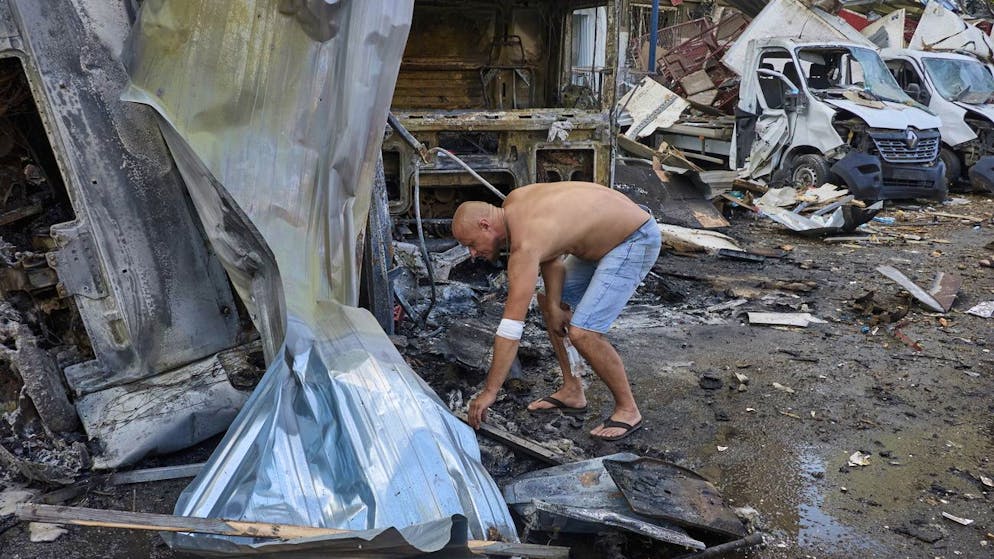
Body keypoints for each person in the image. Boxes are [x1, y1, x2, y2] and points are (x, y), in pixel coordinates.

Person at [452, 181, 661, 441]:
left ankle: (628, 410)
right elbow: (552, 255)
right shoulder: (514, 202)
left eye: (471, 244)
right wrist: (553, 303)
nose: (472, 254)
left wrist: (490, 391)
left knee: (583, 332)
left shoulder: (524, 246)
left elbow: (510, 328)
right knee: (550, 304)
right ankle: (572, 390)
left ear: (485, 224)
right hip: (609, 236)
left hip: (633, 239)